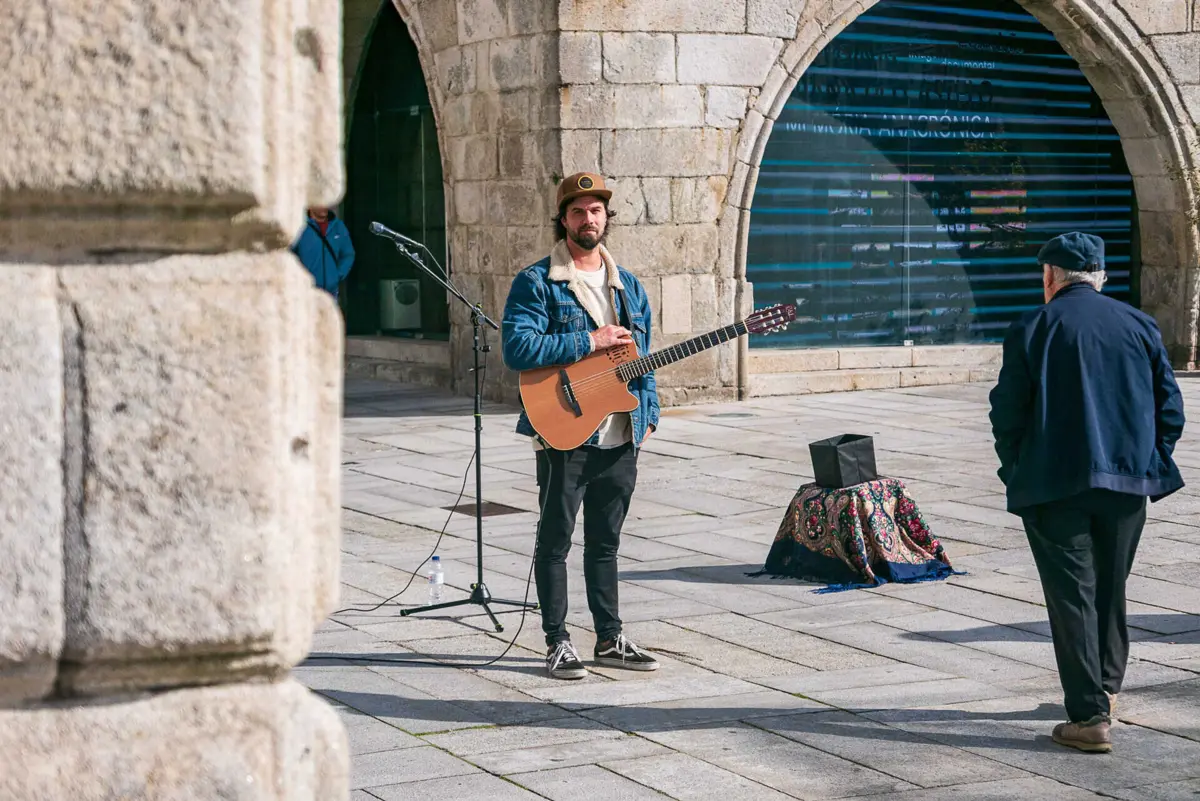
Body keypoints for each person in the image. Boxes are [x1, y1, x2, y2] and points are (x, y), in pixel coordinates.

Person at [989, 232, 1186, 753]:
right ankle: (1108, 688)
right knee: (1110, 586)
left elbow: (1007, 410)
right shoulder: (1139, 324)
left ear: (1050, 276)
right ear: (1100, 277)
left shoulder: (1034, 325)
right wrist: (1149, 460)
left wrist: (1015, 468)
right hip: (1126, 483)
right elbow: (1170, 409)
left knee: (1072, 595)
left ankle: (1089, 714)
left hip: (1055, 483)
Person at [501, 172, 661, 680]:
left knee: (606, 543)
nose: (588, 219)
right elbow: (518, 349)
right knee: (555, 540)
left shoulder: (629, 286)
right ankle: (557, 641)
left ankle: (609, 638)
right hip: (564, 430)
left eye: (596, 211)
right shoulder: (536, 281)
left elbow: (644, 360)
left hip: (620, 433)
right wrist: (588, 342)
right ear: (563, 220)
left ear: (606, 218)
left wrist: (649, 414)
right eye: (577, 212)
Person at [291, 206, 355, 298]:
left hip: (331, 293)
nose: (324, 206)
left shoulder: (338, 226)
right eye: (320, 203)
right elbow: (290, 256)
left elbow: (348, 254)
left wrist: (337, 275)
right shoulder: (300, 227)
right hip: (306, 293)